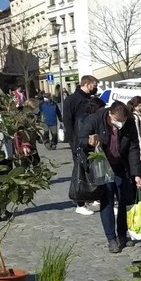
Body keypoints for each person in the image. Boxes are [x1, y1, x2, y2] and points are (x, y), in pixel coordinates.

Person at [76, 101, 141, 253]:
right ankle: (111, 239)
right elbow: (78, 141)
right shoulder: (95, 120)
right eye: (118, 121)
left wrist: (136, 173)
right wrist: (88, 141)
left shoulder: (129, 122)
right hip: (101, 165)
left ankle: (122, 235)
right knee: (107, 200)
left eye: (123, 121)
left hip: (121, 166)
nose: (121, 124)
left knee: (124, 201)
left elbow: (133, 147)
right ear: (110, 115)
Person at [63, 75, 98, 214]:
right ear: (87, 84)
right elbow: (68, 121)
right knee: (80, 171)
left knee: (91, 170)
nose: (95, 87)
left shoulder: (88, 99)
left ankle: (91, 197)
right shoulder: (72, 100)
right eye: (94, 85)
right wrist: (73, 141)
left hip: (90, 141)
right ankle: (80, 202)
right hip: (78, 141)